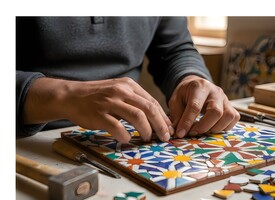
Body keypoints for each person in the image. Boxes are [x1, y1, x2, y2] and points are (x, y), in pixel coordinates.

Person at [16, 17, 240, 143]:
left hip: (128, 137)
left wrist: (191, 77)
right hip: (27, 140)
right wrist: (62, 95)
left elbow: (174, 49)